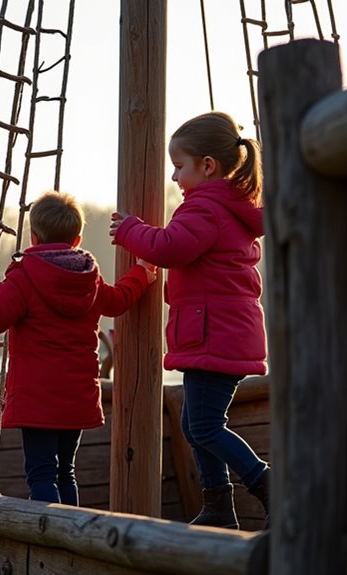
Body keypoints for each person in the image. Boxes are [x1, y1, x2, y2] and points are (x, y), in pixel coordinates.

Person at [110, 111, 271, 530]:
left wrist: (130, 230)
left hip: (214, 335)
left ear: (207, 165)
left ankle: (270, 487)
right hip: (222, 333)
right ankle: (219, 507)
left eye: (179, 166)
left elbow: (169, 247)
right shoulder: (230, 207)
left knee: (203, 425)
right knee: (196, 424)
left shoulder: (205, 209)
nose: (174, 176)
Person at [0, 191, 155, 506]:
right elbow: (119, 300)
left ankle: (47, 530)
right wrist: (141, 271)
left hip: (37, 400)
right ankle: (70, 528)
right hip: (77, 397)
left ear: (33, 237)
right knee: (65, 473)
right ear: (77, 240)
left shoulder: (23, 278)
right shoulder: (89, 278)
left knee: (41, 475)